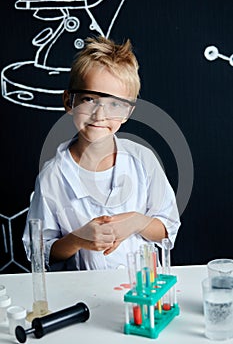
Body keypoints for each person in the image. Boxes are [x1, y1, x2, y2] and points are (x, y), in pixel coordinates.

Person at [23, 36, 180, 271]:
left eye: (115, 104)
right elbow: (40, 252)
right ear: (69, 101)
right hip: (85, 295)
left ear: (128, 111)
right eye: (89, 99)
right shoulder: (53, 176)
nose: (99, 115)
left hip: (144, 290)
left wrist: (136, 222)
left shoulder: (143, 160)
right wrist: (77, 238)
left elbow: (167, 230)